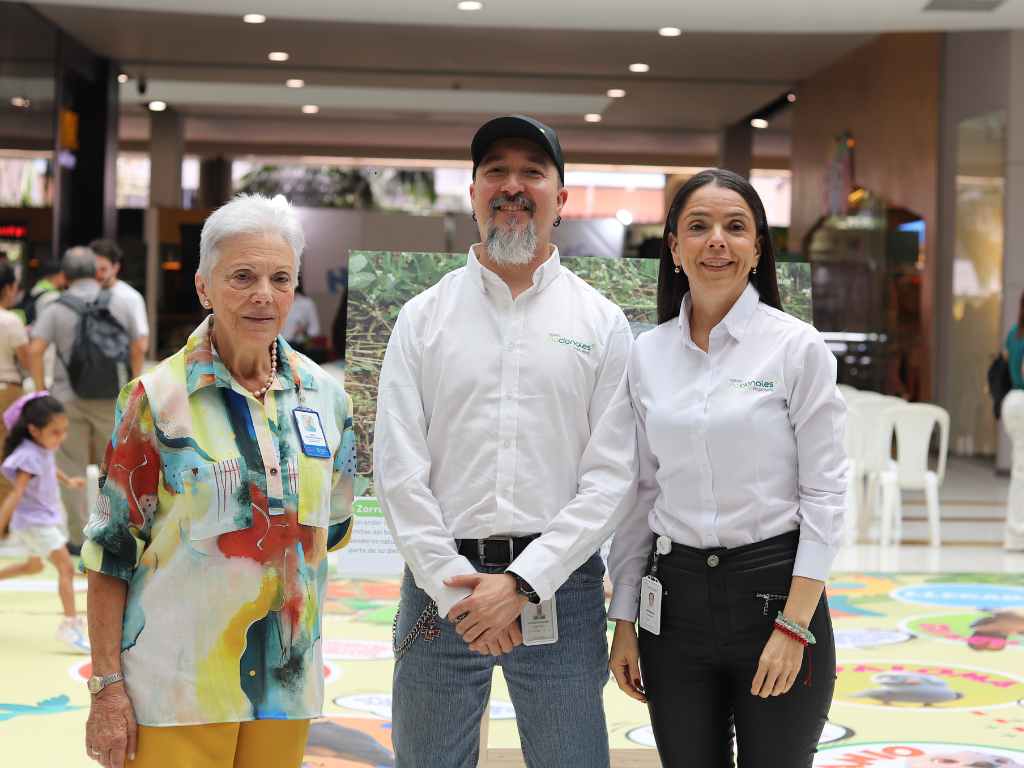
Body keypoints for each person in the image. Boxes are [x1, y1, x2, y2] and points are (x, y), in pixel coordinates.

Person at [374, 115, 638, 768]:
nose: (512, 185)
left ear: (561, 198)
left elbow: (612, 476)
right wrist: (458, 591)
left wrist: (522, 581)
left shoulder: (601, 324)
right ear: (472, 193)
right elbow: (398, 471)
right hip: (442, 594)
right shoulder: (422, 318)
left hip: (562, 593)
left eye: (532, 172)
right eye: (495, 170)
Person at [81, 193, 357, 768]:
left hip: (285, 687)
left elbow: (332, 527)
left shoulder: (328, 399)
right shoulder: (154, 399)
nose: (264, 293)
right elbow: (109, 554)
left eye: (281, 278)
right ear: (204, 287)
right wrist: (106, 687)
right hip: (174, 689)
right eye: (242, 276)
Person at [606, 169, 846, 767]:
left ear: (757, 248)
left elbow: (826, 493)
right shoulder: (647, 354)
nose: (717, 239)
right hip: (674, 606)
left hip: (776, 598)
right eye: (698, 226)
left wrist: (795, 625)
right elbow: (641, 494)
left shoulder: (796, 347)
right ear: (674, 246)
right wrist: (626, 618)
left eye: (736, 227)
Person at [24, 246, 146, 555]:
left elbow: (34, 351)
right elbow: (139, 345)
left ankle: (80, 539)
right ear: (96, 272)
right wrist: (131, 386)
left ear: (63, 276)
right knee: (116, 466)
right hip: (111, 398)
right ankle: (112, 531)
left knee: (72, 464)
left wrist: (42, 391)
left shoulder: (54, 307)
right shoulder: (121, 300)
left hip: (67, 401)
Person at [0, 392, 89, 652]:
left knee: (33, 567)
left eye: (64, 430)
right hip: (36, 524)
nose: (61, 437)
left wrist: (68, 481)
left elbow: (49, 467)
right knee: (64, 568)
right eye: (55, 432)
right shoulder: (28, 455)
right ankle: (69, 625)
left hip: (37, 522)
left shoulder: (41, 447)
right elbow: (16, 492)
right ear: (34, 430)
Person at [0, 263, 36, 507]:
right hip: (7, 391)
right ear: (8, 288)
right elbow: (28, 361)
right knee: (7, 454)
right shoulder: (11, 321)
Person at [90, 238, 150, 376]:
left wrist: (132, 387)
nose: (98, 274)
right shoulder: (84, 294)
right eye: (94, 269)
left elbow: (141, 345)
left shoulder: (130, 297)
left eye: (103, 269)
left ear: (116, 268)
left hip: (119, 374)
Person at [1002, 292, 1024, 551]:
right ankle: (1017, 534)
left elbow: (1007, 359)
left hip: (1012, 401)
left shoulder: (1015, 331)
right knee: (1021, 472)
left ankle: (1016, 532)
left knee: (1020, 469)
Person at [280, 279, 320, 355]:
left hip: (299, 348)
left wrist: (304, 331)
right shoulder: (276, 302)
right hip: (278, 347)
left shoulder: (306, 302)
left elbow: (315, 329)